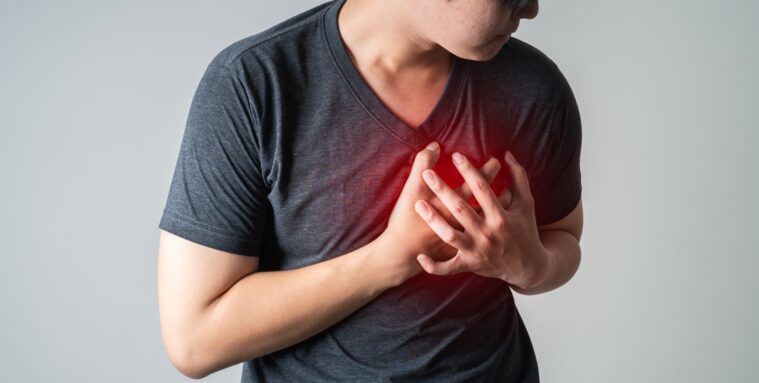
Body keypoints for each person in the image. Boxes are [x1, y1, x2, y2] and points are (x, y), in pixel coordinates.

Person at [157, 0, 584, 381]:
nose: (532, 9)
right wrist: (389, 259)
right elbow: (195, 341)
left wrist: (530, 266)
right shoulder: (254, 84)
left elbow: (562, 238)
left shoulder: (533, 87)